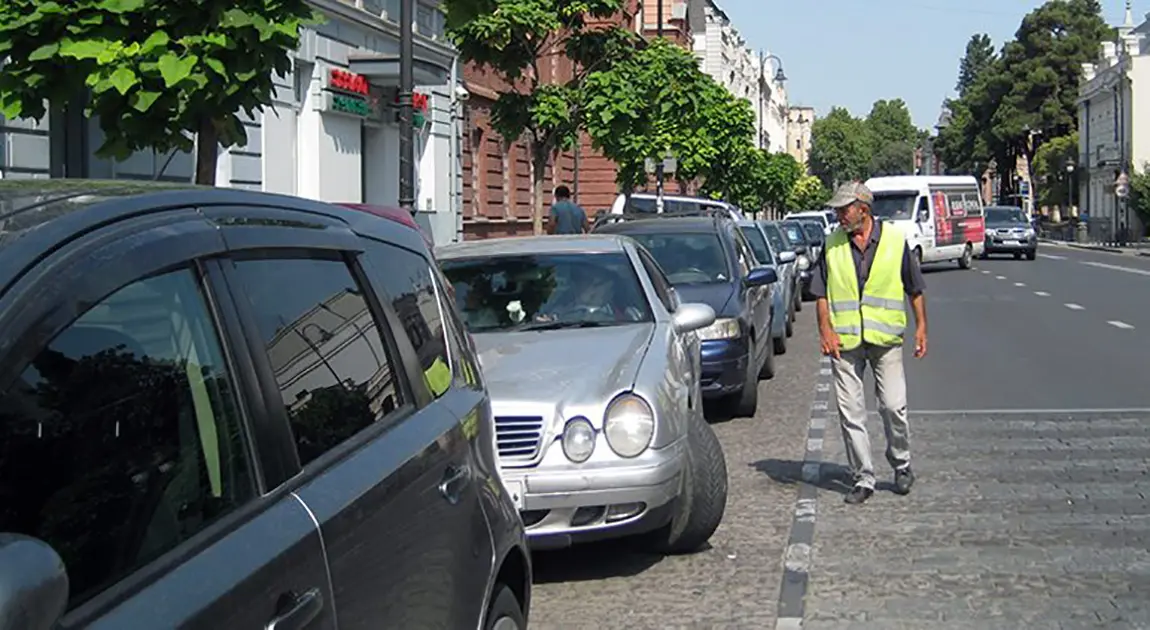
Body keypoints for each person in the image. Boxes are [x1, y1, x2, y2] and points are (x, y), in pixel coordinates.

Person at [809, 181, 928, 506]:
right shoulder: (832, 244)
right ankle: (863, 477)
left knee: (893, 407)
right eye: (836, 210)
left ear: (863, 208)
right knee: (851, 413)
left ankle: (901, 464)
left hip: (885, 339)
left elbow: (914, 287)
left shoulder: (893, 241)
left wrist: (921, 329)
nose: (838, 215)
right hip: (845, 342)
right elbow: (821, 292)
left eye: (844, 209)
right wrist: (826, 331)